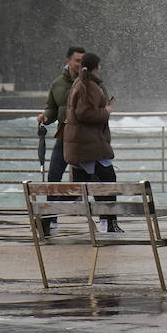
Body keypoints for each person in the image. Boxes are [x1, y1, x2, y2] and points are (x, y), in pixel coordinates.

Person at [63, 51, 121, 233]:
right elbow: (84, 113)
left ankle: (103, 222)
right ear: (95, 68)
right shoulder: (88, 86)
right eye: (99, 66)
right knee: (108, 181)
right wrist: (107, 111)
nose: (101, 69)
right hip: (91, 146)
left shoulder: (80, 83)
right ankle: (109, 223)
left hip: (83, 145)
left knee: (86, 186)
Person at [35, 46, 84, 235]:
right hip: (63, 136)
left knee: (92, 179)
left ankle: (106, 218)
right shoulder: (58, 84)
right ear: (68, 61)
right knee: (53, 177)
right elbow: (52, 108)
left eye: (82, 61)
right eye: (77, 60)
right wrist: (45, 117)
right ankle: (51, 218)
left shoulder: (89, 83)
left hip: (83, 140)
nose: (80, 64)